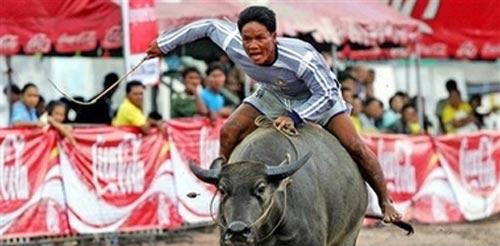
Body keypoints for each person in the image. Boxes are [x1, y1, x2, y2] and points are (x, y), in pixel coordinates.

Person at [146, 6, 401, 223]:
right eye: (247, 39)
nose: (253, 46)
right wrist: (166, 44)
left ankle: (384, 200)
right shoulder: (233, 41)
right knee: (229, 130)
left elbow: (325, 96)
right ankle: (227, 189)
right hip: (273, 93)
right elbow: (206, 25)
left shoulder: (301, 58)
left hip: (317, 97)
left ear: (274, 36)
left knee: (355, 145)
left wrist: (295, 116)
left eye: (260, 38)